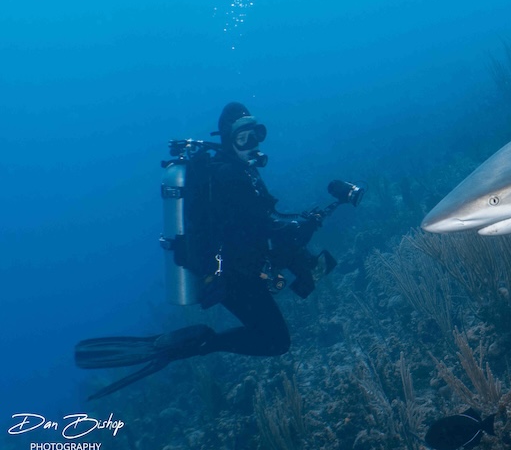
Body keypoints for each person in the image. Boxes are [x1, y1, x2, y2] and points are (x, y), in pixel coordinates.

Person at [75, 102, 358, 400]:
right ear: (227, 139)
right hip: (230, 276)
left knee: (283, 307)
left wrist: (300, 225)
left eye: (257, 135)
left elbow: (262, 221)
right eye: (243, 138)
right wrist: (302, 225)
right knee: (276, 341)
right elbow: (265, 226)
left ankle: (191, 343)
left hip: (241, 264)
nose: (252, 145)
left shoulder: (241, 171)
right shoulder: (227, 176)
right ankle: (196, 342)